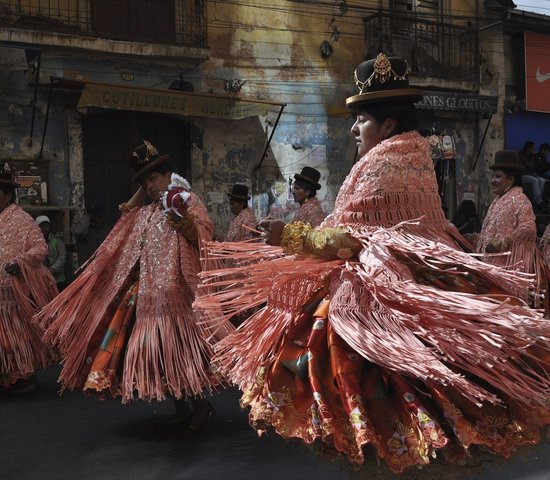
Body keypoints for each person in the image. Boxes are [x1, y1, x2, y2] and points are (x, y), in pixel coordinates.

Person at [196, 54, 550, 472]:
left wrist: (289, 237)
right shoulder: (415, 157)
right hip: (417, 290)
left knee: (373, 406)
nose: (353, 129)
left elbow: (352, 240)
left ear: (387, 125)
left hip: (379, 303)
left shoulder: (386, 162)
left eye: (361, 119)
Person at [36, 141, 233, 429]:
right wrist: (140, 195)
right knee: (161, 357)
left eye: (153, 179)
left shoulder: (186, 201)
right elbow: (128, 242)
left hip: (178, 295)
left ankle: (202, 405)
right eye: (144, 182)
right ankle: (180, 405)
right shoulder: (146, 213)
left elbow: (203, 236)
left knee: (180, 354)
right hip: (149, 296)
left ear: (168, 175)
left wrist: (182, 221)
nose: (150, 186)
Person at [0, 163, 57, 393]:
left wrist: (20, 263)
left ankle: (24, 376)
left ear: (6, 195)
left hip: (13, 294)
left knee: (16, 339)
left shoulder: (22, 220)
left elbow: (39, 248)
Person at [476, 150, 547, 303]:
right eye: (493, 176)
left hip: (509, 267)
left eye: (498, 176)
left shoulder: (520, 200)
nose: (493, 180)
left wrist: (504, 242)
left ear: (510, 179)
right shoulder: (497, 201)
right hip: (491, 264)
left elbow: (529, 227)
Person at [260, 166, 326, 243]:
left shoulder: (312, 210)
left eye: (297, 189)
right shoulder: (306, 207)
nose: (293, 191)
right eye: (293, 188)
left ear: (307, 191)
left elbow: (313, 241)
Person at [71, 204, 109, 268]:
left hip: (102, 266)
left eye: (102, 218)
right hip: (87, 268)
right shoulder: (84, 228)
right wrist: (87, 216)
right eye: (99, 217)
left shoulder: (105, 228)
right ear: (92, 217)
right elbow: (79, 232)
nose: (102, 220)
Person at [36, 215, 67, 290]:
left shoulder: (56, 241)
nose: (44, 228)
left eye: (46, 226)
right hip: (40, 281)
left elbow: (62, 258)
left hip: (57, 281)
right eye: (41, 226)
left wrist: (51, 270)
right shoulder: (34, 242)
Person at [518, 140, 546, 210]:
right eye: (533, 148)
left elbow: (534, 168)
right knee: (534, 180)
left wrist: (534, 174)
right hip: (522, 175)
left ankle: (537, 199)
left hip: (531, 174)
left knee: (542, 180)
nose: (534, 150)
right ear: (529, 148)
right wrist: (532, 174)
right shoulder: (520, 156)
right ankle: (539, 201)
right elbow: (521, 169)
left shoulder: (532, 157)